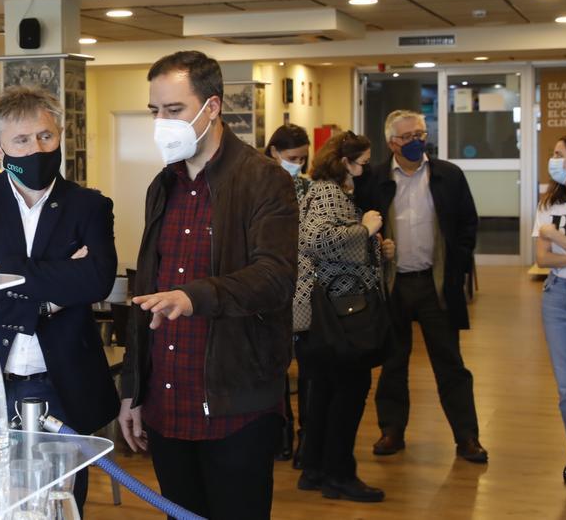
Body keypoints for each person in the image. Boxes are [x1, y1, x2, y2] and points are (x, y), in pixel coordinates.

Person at [118, 51, 298, 519]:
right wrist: (133, 391)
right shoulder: (163, 185)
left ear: (212, 107)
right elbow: (147, 290)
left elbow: (275, 278)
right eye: (155, 111)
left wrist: (193, 297)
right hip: (167, 401)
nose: (162, 122)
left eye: (174, 110)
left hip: (235, 401)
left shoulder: (264, 179)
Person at [0, 85, 119, 512]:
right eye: (22, 140)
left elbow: (95, 282)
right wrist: (51, 295)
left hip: (63, 384)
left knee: (63, 503)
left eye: (45, 137)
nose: (36, 149)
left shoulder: (89, 205)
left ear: (59, 136)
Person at [354, 109, 487, 463]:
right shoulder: (374, 179)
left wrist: (456, 267)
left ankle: (467, 437)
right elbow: (359, 228)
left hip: (435, 284)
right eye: (408, 136)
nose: (417, 141)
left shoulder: (448, 175)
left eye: (421, 134)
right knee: (393, 361)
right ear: (391, 142)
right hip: (393, 284)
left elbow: (467, 225)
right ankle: (391, 431)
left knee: (450, 363)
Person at [294, 132, 391, 503]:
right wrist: (365, 228)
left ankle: (316, 469)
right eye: (362, 162)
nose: (366, 168)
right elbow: (316, 240)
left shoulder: (321, 191)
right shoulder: (328, 192)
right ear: (345, 162)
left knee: (325, 392)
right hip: (340, 311)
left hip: (333, 310)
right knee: (349, 392)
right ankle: (339, 474)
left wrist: (374, 244)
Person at [265, 124, 311, 463]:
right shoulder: (260, 185)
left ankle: (306, 438)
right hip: (272, 287)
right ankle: (280, 434)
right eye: (293, 158)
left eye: (303, 158)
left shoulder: (311, 188)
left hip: (307, 287)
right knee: (276, 367)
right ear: (274, 152)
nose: (298, 163)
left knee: (308, 369)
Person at [534, 136, 566, 449]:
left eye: (558, 154)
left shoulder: (553, 220)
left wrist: (555, 236)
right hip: (557, 294)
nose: (553, 159)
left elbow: (551, 246)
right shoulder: (549, 204)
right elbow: (542, 259)